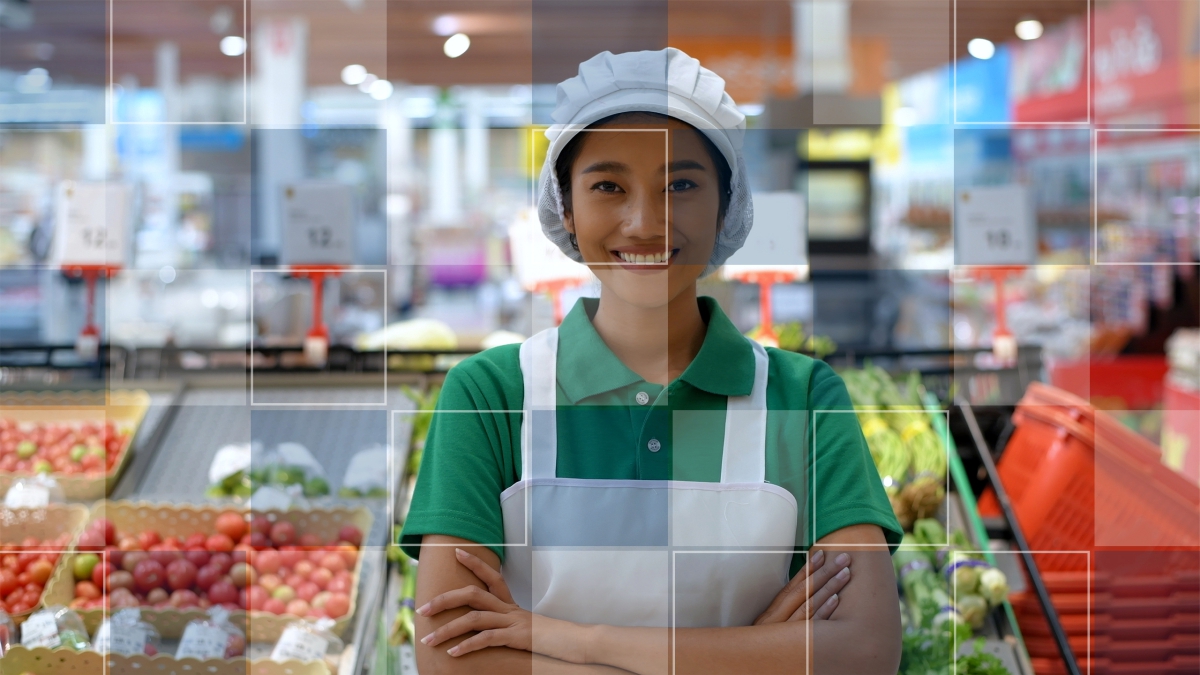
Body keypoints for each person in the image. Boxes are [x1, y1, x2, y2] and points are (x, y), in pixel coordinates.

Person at [400, 48, 904, 675]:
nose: (644, 222)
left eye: (682, 185)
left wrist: (565, 640)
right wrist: (752, 655)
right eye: (608, 185)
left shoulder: (802, 398)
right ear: (566, 210)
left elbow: (863, 651)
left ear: (727, 205)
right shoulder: (490, 394)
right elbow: (452, 660)